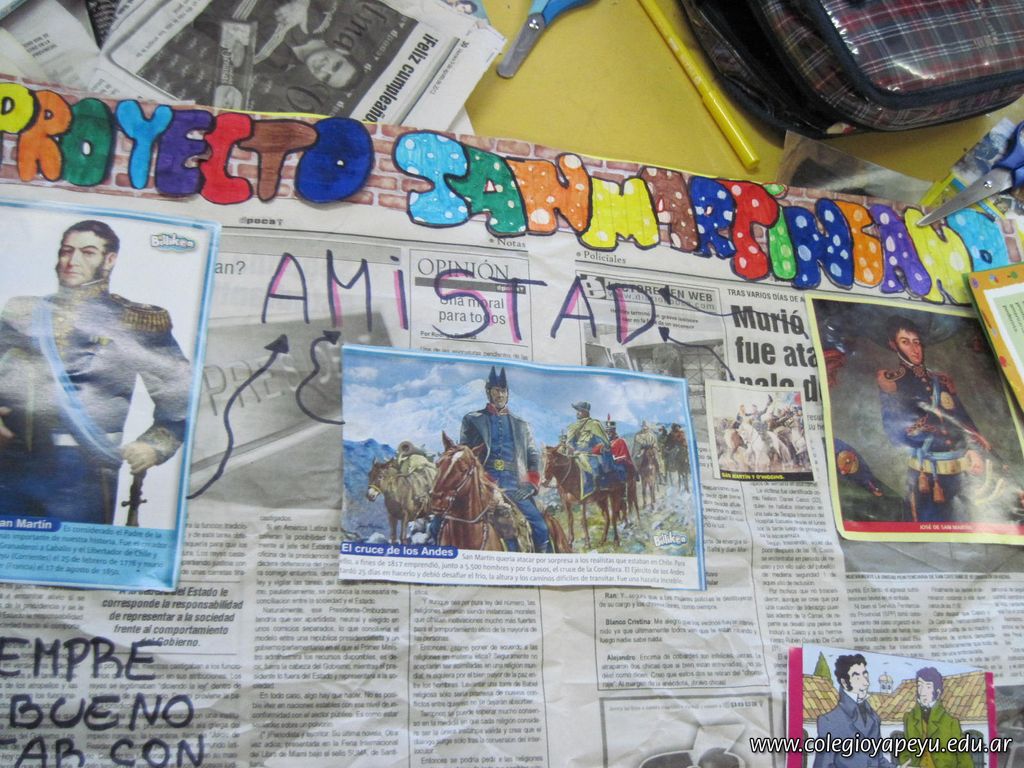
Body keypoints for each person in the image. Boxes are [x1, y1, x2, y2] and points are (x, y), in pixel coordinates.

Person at [0, 220, 192, 525]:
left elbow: (179, 394)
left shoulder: (134, 320)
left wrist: (154, 446)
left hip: (81, 469)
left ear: (109, 259)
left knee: (73, 552)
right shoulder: (22, 312)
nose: (72, 261)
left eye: (87, 252)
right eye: (66, 251)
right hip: (10, 464)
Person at [877, 316, 990, 523]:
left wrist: (973, 449)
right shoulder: (894, 383)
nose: (914, 349)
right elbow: (895, 432)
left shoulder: (940, 381)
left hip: (961, 474)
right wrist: (929, 429)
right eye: (905, 342)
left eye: (917, 342)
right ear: (894, 345)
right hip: (928, 478)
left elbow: (962, 419)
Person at [460, 367, 549, 552]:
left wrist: (530, 485)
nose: (500, 395)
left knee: (541, 527)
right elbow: (466, 454)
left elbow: (533, 456)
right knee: (443, 521)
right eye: (496, 390)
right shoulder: (472, 420)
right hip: (483, 484)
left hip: (515, 486)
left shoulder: (522, 425)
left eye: (503, 391)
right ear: (488, 392)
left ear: (507, 394)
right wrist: (480, 481)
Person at [813, 654, 892, 768]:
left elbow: (878, 759)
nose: (866, 683)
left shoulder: (874, 717)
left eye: (865, 674)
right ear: (844, 683)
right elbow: (823, 765)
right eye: (857, 677)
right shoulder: (829, 721)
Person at [897, 667, 973, 768]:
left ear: (937, 691)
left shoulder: (951, 722)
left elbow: (964, 760)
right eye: (920, 686)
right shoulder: (909, 718)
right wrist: (906, 764)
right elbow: (904, 751)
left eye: (928, 687)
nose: (922, 692)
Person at [564, 400, 613, 498]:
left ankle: (593, 488)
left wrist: (602, 448)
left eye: (580, 410)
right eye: (577, 410)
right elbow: (569, 442)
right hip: (575, 453)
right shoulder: (572, 426)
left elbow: (605, 441)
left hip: (590, 453)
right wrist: (570, 447)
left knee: (593, 469)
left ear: (586, 412)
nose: (577, 413)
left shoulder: (594, 424)